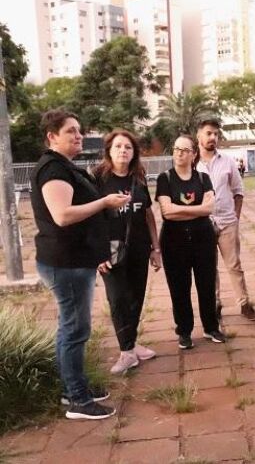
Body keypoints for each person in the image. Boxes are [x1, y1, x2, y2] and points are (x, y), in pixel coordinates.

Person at [31, 109, 130, 420]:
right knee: (75, 330)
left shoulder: (63, 167)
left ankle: (72, 388)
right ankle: (78, 400)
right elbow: (62, 215)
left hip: (73, 260)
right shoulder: (53, 170)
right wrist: (104, 202)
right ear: (52, 136)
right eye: (71, 131)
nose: (78, 135)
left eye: (79, 130)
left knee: (69, 328)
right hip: (66, 263)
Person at [93, 129, 161, 375]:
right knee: (118, 299)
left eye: (128, 147)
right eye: (118, 146)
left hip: (139, 249)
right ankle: (126, 353)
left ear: (134, 153)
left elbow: (148, 215)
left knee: (135, 297)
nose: (123, 150)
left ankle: (131, 345)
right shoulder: (98, 179)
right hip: (109, 252)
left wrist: (156, 248)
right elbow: (91, 218)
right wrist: (96, 254)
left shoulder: (139, 178)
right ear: (109, 151)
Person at [156, 134, 226, 349]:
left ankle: (211, 327)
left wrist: (181, 210)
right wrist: (197, 211)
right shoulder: (165, 179)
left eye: (185, 150)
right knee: (179, 287)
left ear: (193, 154)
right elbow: (167, 212)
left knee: (206, 284)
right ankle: (184, 331)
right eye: (177, 149)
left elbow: (210, 208)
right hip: (174, 241)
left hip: (203, 239)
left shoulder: (203, 179)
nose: (180, 153)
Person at [196, 119, 255, 321]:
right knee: (208, 267)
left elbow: (238, 192)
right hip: (202, 223)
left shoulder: (228, 161)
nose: (213, 137)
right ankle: (214, 304)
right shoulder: (192, 163)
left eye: (216, 134)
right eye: (209, 133)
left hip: (227, 221)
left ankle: (244, 303)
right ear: (199, 136)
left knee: (234, 265)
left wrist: (236, 218)